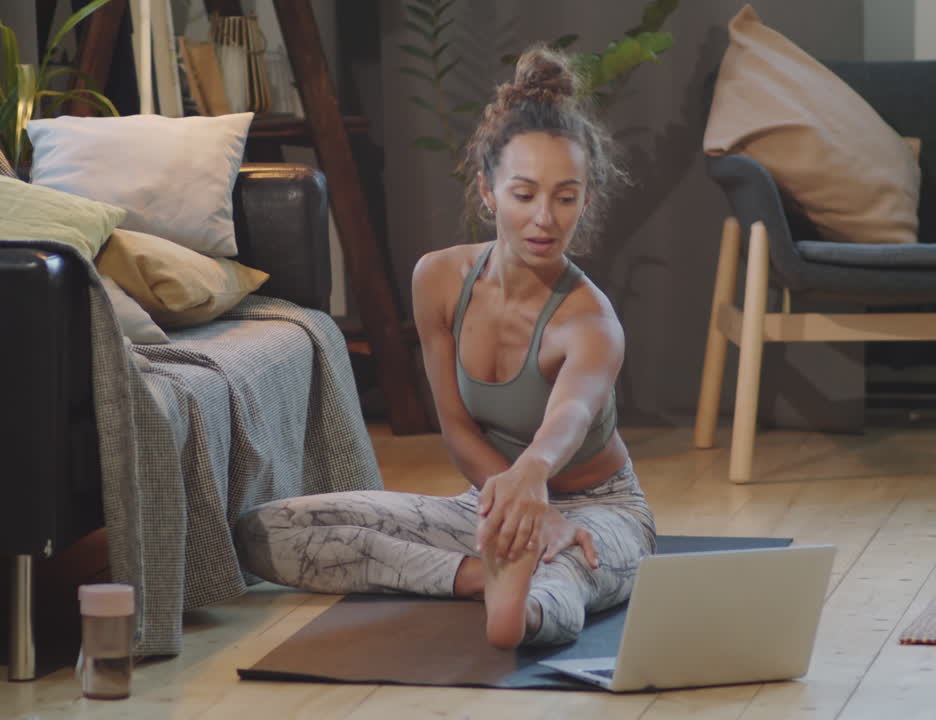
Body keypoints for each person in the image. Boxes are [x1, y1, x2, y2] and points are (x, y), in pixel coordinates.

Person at [234, 44, 655, 649]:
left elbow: (570, 417)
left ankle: (519, 609)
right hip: (489, 502)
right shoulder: (437, 280)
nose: (545, 218)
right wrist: (517, 512)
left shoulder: (591, 323)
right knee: (263, 531)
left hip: (600, 512)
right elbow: (457, 432)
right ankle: (481, 577)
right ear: (488, 191)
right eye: (524, 193)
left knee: (568, 583)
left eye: (566, 197)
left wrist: (538, 487)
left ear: (584, 200)